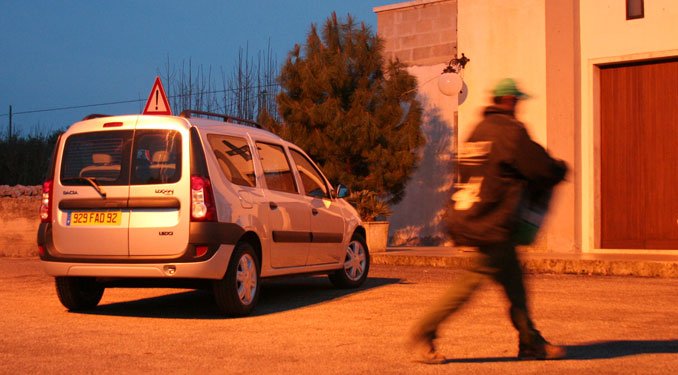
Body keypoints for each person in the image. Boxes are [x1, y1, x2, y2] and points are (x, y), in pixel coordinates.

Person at [408, 78, 568, 364]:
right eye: (515, 101)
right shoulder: (510, 132)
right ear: (508, 101)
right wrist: (560, 168)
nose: (517, 106)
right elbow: (540, 168)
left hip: (471, 217)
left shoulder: (479, 131)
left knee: (515, 283)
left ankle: (531, 341)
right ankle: (425, 330)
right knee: (471, 282)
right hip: (491, 224)